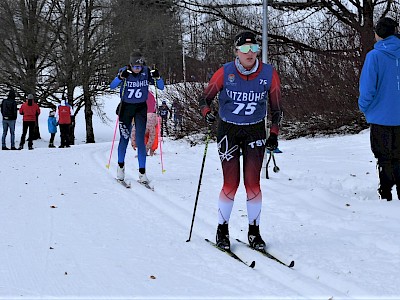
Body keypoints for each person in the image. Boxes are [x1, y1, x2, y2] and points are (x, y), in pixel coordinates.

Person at [198, 31, 282, 250]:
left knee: (253, 184)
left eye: (254, 49)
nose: (250, 53)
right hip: (229, 131)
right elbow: (204, 98)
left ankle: (254, 232)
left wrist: (273, 134)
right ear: (236, 51)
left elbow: (277, 109)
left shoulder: (268, 74)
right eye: (244, 49)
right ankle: (222, 230)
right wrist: (207, 112)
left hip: (254, 131)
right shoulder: (225, 73)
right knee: (231, 183)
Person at [358, 17, 400, 201]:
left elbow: (368, 88)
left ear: (379, 33)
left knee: (383, 156)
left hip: (380, 116)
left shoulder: (374, 56)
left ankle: (386, 192)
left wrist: (363, 106)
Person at [110, 51, 164, 183]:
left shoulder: (146, 72)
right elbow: (112, 86)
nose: (136, 69)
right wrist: (120, 78)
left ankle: (142, 172)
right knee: (124, 139)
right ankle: (120, 167)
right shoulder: (125, 71)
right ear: (130, 65)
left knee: (140, 140)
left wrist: (157, 77)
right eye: (134, 67)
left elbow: (161, 87)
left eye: (139, 67)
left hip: (140, 108)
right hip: (126, 108)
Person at [131, 91, 158, 156]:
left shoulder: (150, 127)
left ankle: (151, 150)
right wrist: (133, 144)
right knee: (147, 138)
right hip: (145, 113)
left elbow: (152, 138)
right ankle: (145, 151)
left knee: (153, 137)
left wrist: (134, 144)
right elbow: (133, 134)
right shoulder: (138, 126)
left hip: (151, 116)